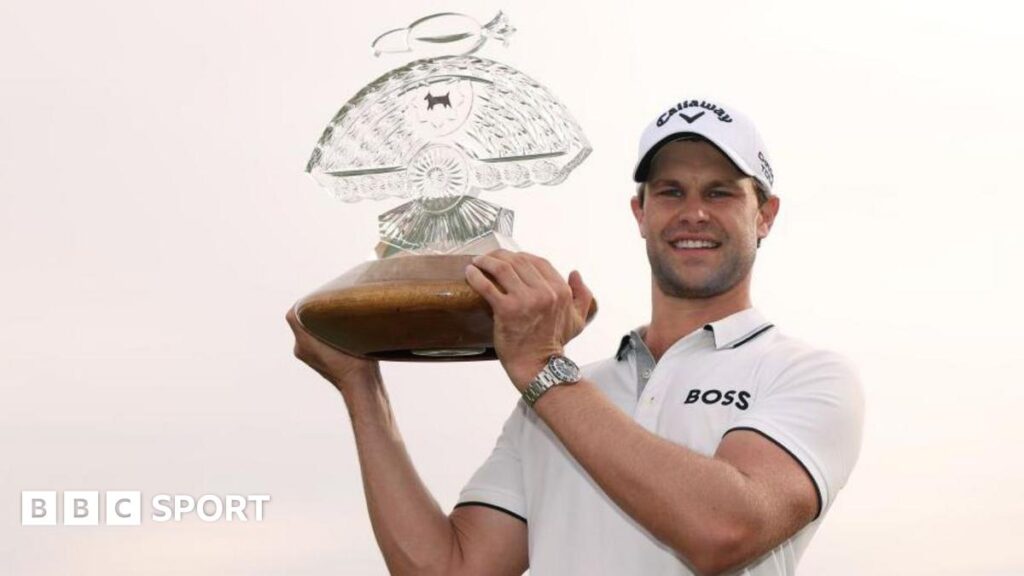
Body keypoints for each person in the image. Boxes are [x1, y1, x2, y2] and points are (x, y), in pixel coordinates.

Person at [286, 97, 865, 576]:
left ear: (765, 215)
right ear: (639, 212)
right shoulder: (561, 398)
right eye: (670, 192)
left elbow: (724, 530)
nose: (693, 213)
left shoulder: (805, 374)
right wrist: (361, 387)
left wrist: (541, 366)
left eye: (720, 192)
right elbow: (450, 570)